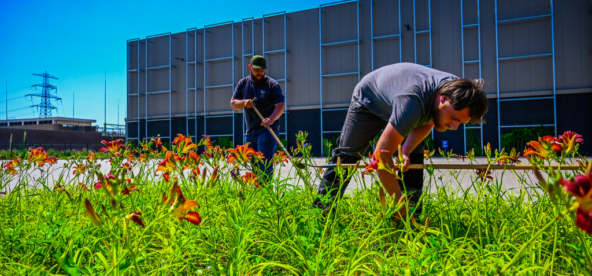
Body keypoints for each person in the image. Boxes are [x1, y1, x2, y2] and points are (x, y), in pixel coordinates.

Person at [313, 62, 488, 218]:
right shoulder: (412, 103)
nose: (454, 127)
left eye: (460, 123)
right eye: (454, 119)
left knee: (413, 155)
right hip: (369, 99)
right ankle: (321, 212)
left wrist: (405, 150)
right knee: (348, 155)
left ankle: (412, 214)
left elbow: (427, 122)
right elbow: (380, 159)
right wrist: (398, 203)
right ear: (443, 99)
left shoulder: (458, 91)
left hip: (404, 100)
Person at [231, 55, 286, 180]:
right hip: (250, 131)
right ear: (250, 67)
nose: (260, 72)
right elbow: (233, 104)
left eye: (262, 69)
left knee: (264, 163)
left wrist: (271, 119)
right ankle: (257, 193)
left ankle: (266, 192)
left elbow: (281, 105)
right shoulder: (243, 84)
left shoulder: (272, 85)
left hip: (267, 129)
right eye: (257, 69)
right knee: (253, 165)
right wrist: (244, 103)